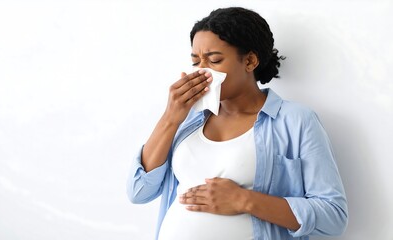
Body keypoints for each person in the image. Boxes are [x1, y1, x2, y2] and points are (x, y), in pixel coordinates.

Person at [127, 7, 348, 240]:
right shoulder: (188, 120)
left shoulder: (295, 120)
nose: (202, 70)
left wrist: (243, 200)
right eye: (196, 61)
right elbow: (139, 191)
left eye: (214, 60)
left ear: (250, 61)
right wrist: (171, 118)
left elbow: (333, 216)